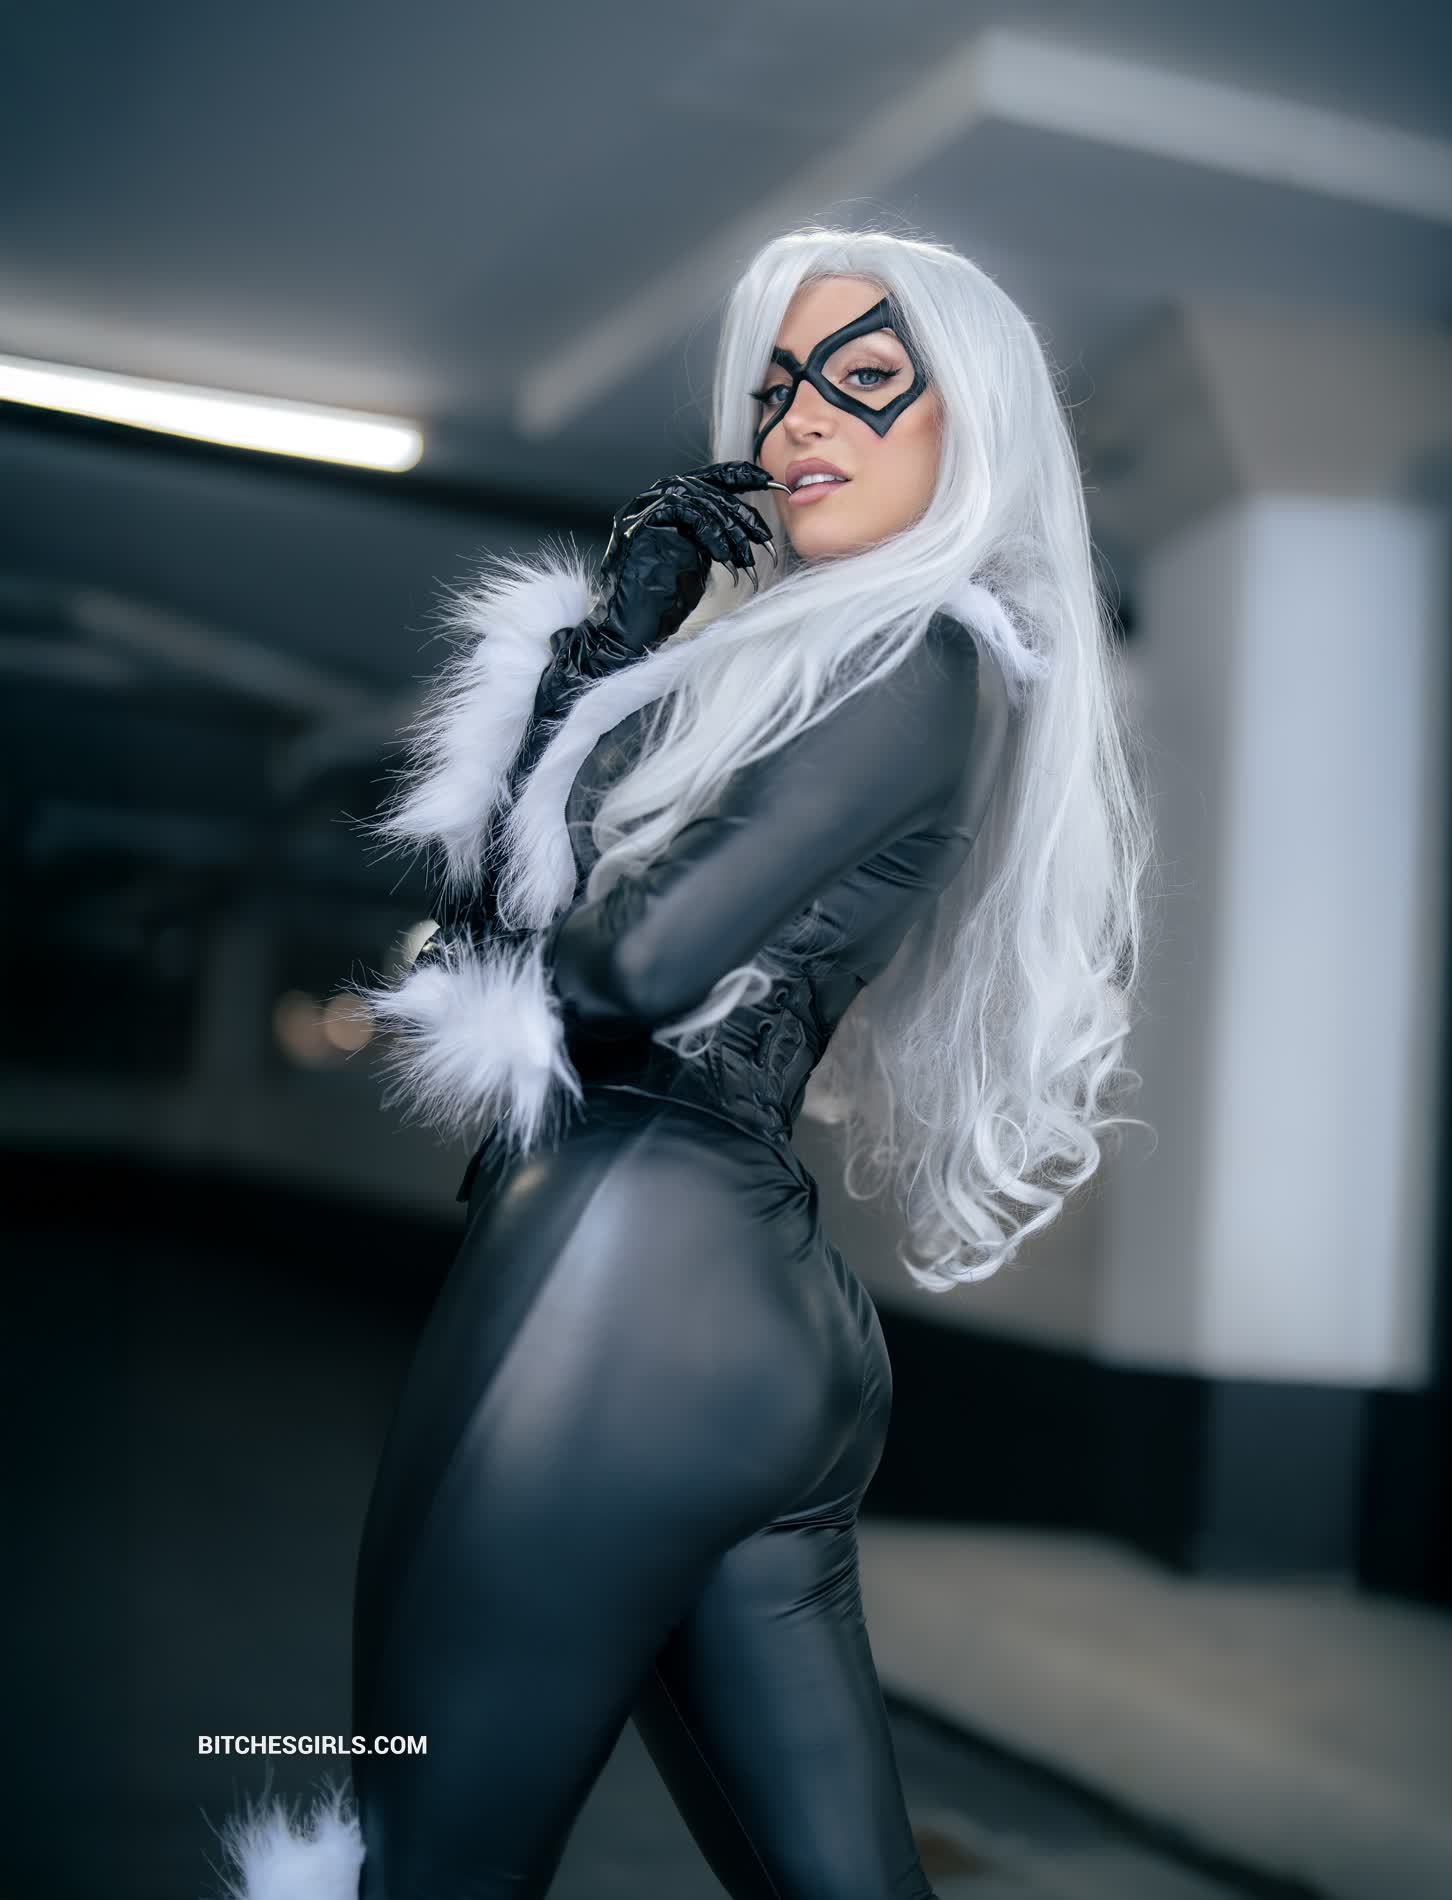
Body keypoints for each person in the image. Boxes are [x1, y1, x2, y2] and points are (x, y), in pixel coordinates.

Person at [208, 229, 1151, 1899]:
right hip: (726, 1304)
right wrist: (597, 662)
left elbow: (623, 968)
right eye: (780, 388)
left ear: (974, 419)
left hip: (626, 1282)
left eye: (867, 380)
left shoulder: (913, 655)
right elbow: (499, 960)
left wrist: (608, 752)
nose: (802, 420)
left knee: (424, 1860)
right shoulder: (803, 673)